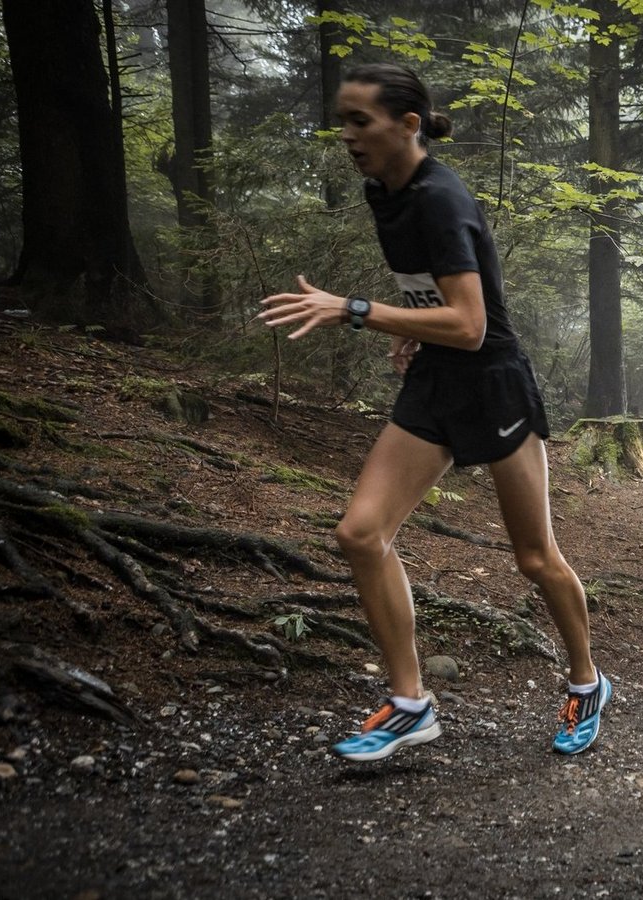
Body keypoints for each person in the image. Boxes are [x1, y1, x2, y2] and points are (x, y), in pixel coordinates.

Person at [258, 63, 608, 759]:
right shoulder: (383, 189)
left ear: (407, 124)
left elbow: (474, 325)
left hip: (493, 384)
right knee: (360, 535)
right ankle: (411, 701)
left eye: (361, 121)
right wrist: (412, 328)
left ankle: (587, 680)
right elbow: (434, 300)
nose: (348, 135)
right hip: (434, 380)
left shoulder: (440, 199)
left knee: (535, 559)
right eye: (344, 121)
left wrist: (355, 310)